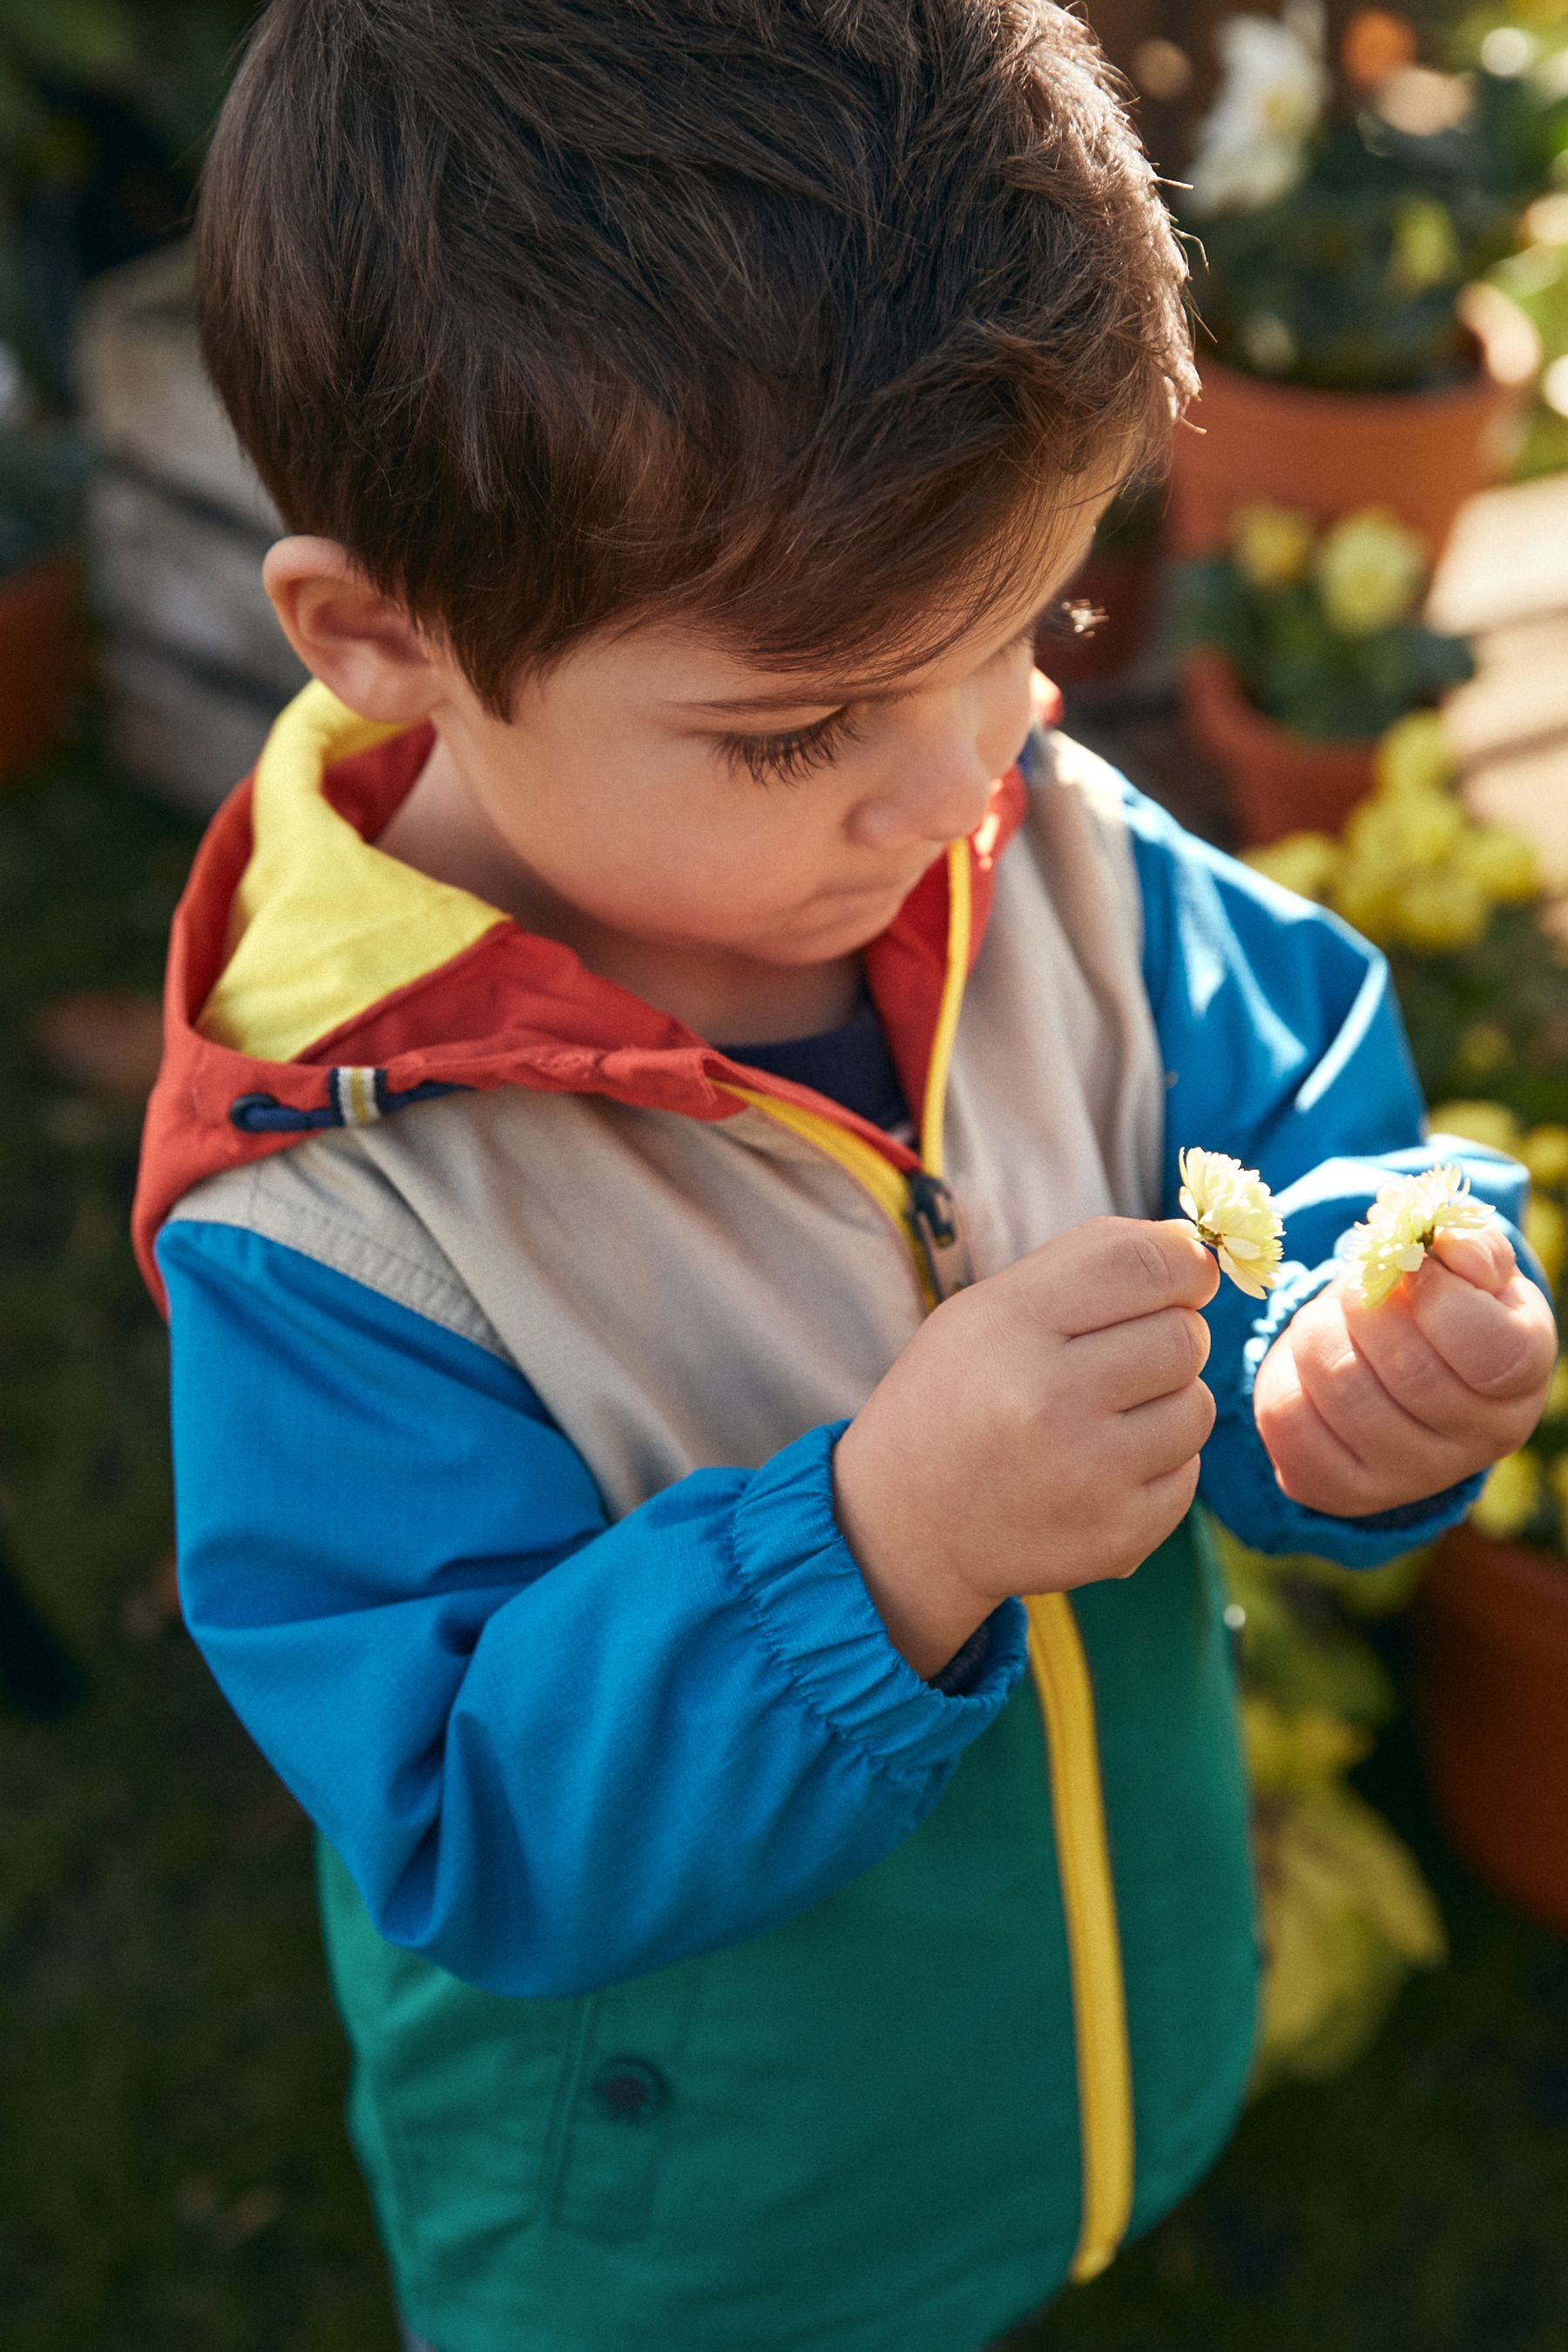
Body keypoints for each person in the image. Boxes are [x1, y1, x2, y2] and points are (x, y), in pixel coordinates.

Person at [134, 4, 1556, 2349]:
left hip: (1087, 2055)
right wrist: (878, 1546)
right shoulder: (340, 1215)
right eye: (799, 724)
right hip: (706, 2234)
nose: (956, 779)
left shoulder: (1049, 852)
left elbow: (1311, 1107)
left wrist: (1365, 1321)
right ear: (382, 640)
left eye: (1026, 627)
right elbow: (475, 1819)